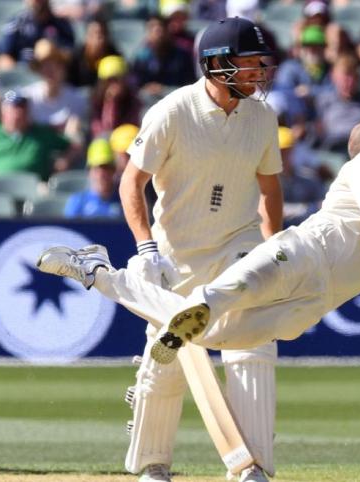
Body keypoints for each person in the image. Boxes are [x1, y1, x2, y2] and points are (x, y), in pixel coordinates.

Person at [36, 119, 360, 374]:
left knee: (211, 336)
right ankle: (192, 304)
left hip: (320, 298)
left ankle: (102, 275)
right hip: (303, 252)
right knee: (223, 296)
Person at [104, 18, 284, 482]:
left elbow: (269, 189)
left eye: (259, 64)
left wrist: (274, 250)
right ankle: (151, 465)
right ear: (216, 64)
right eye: (248, 64)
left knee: (253, 342)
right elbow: (132, 181)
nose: (257, 74)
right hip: (177, 254)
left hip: (238, 247)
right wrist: (146, 249)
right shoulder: (172, 111)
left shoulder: (262, 117)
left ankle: (253, 468)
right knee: (167, 359)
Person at [0, 91, 72, 192]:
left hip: (33, 188)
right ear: (2, 112)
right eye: (13, 108)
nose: (18, 112)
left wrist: (66, 159)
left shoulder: (41, 133)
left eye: (21, 107)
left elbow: (74, 146)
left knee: (46, 194)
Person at [0, 0, 76, 70]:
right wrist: (18, 75)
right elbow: (3, 57)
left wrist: (52, 52)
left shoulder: (62, 25)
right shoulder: (17, 23)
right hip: (23, 78)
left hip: (51, 78)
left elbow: (70, 57)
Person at [64, 138, 122, 219]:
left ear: (114, 170)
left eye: (107, 168)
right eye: (97, 169)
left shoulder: (124, 202)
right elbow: (68, 230)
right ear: (89, 171)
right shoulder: (78, 202)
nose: (102, 174)